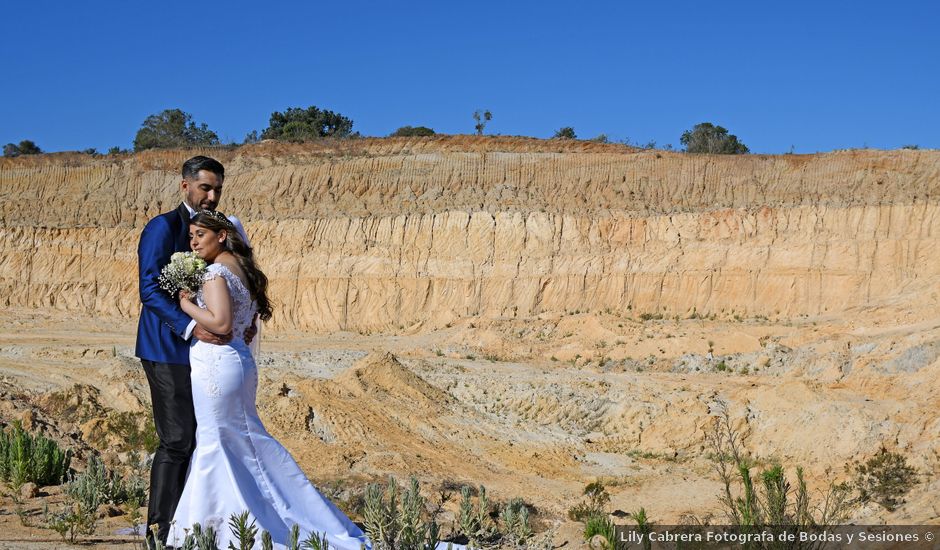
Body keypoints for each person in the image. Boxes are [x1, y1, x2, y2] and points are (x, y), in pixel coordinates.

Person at [167, 211, 372, 550]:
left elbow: (220, 324)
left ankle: (212, 527)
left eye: (200, 234)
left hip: (217, 365)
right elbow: (244, 323)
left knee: (217, 441)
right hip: (238, 363)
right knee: (241, 440)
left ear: (221, 236)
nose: (193, 242)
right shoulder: (240, 270)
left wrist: (186, 304)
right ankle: (245, 518)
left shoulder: (215, 273)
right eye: (191, 236)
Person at [135, 155, 253, 549]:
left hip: (209, 356)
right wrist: (191, 326)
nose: (212, 196)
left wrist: (248, 316)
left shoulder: (223, 231)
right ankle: (158, 531)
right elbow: (150, 289)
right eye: (205, 187)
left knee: (206, 437)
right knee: (177, 439)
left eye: (218, 188)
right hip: (166, 347)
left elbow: (243, 275)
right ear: (185, 185)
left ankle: (193, 527)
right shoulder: (162, 227)